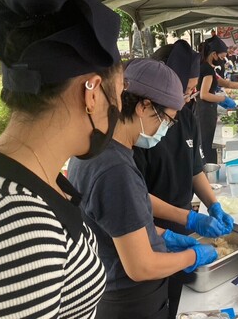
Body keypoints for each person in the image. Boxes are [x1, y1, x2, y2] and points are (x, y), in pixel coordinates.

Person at [0, 0, 123, 317]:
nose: (117, 112)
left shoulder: (26, 180)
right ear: (91, 94)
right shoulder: (20, 225)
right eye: (117, 97)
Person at [68, 59, 219, 319]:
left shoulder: (100, 147)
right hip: (131, 299)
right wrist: (191, 256)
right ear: (143, 106)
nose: (165, 129)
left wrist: (183, 221)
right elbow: (141, 266)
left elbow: (129, 202)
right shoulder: (114, 167)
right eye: (167, 120)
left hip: (114, 287)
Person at [133, 41, 234, 318]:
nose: (189, 97)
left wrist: (213, 205)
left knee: (180, 300)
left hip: (180, 226)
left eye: (192, 90)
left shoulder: (187, 116)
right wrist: (189, 220)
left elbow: (194, 168)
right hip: (148, 231)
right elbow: (135, 198)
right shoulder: (139, 132)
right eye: (185, 90)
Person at [196, 35, 238, 163]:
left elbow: (224, 83)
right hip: (204, 111)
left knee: (206, 143)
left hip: (204, 109)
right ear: (214, 54)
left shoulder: (206, 67)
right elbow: (204, 94)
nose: (223, 60)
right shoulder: (207, 69)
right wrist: (222, 98)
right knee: (208, 144)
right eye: (222, 57)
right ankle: (210, 170)